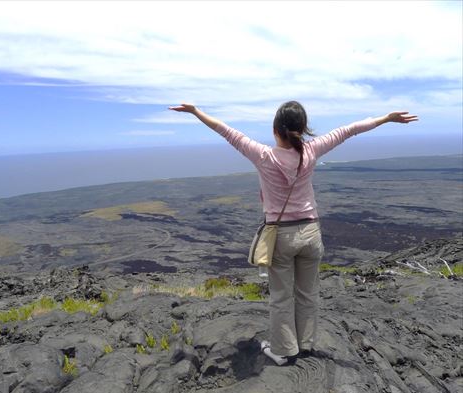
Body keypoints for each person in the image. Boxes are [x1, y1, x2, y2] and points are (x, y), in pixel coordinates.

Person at [169, 101, 418, 365]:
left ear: (276, 129)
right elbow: (350, 129)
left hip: (282, 237)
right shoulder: (311, 151)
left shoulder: (263, 155)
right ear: (302, 129)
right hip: (311, 233)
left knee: (281, 297)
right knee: (308, 293)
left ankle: (284, 350)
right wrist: (386, 118)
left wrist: (196, 112)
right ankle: (306, 344)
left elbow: (225, 130)